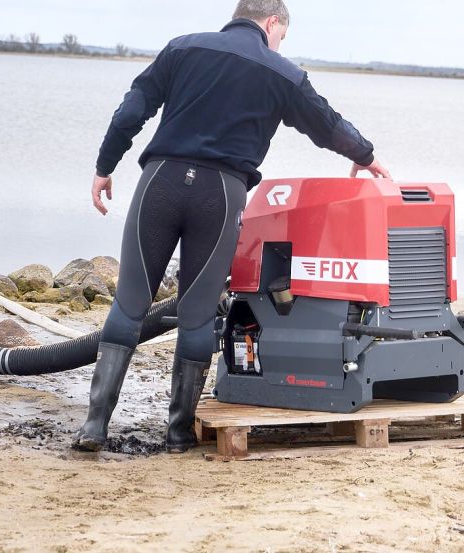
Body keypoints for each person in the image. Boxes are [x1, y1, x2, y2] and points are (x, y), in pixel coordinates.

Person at [73, 0, 391, 453]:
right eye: (283, 34)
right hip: (221, 194)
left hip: (160, 181)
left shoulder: (182, 48)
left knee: (128, 305)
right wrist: (367, 156)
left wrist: (106, 166)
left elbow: (132, 110)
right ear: (272, 22)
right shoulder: (283, 73)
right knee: (197, 313)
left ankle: (94, 427)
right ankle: (178, 432)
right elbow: (327, 125)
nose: (281, 43)